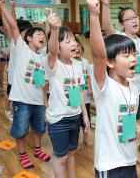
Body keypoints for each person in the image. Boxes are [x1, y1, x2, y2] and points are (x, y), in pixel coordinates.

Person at [86, 0, 140, 178]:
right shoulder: (104, 86)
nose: (133, 59)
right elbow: (98, 56)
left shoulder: (133, 88)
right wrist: (94, 16)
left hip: (129, 160)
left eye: (133, 55)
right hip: (109, 164)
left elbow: (124, 119)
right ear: (110, 63)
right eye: (126, 56)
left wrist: (135, 129)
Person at [0, 0, 50, 169]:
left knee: (39, 128)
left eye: (43, 34)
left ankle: (38, 149)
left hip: (37, 100)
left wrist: (45, 100)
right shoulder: (22, 50)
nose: (42, 36)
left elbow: (41, 83)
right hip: (22, 99)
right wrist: (4, 6)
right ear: (28, 38)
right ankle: (22, 154)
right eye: (38, 34)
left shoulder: (42, 58)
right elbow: (12, 26)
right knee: (20, 129)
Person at [45, 13, 90, 177]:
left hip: (75, 116)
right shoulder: (53, 63)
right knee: (61, 158)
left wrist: (84, 116)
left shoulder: (78, 65)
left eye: (73, 40)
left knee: (72, 153)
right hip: (59, 120)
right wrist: (55, 30)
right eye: (67, 41)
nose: (74, 44)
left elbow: (78, 92)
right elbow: (51, 51)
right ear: (58, 45)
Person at [100, 0, 140, 120]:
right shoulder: (120, 38)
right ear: (122, 24)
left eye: (135, 17)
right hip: (121, 90)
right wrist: (106, 5)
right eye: (129, 19)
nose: (134, 21)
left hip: (138, 91)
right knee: (122, 123)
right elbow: (107, 26)